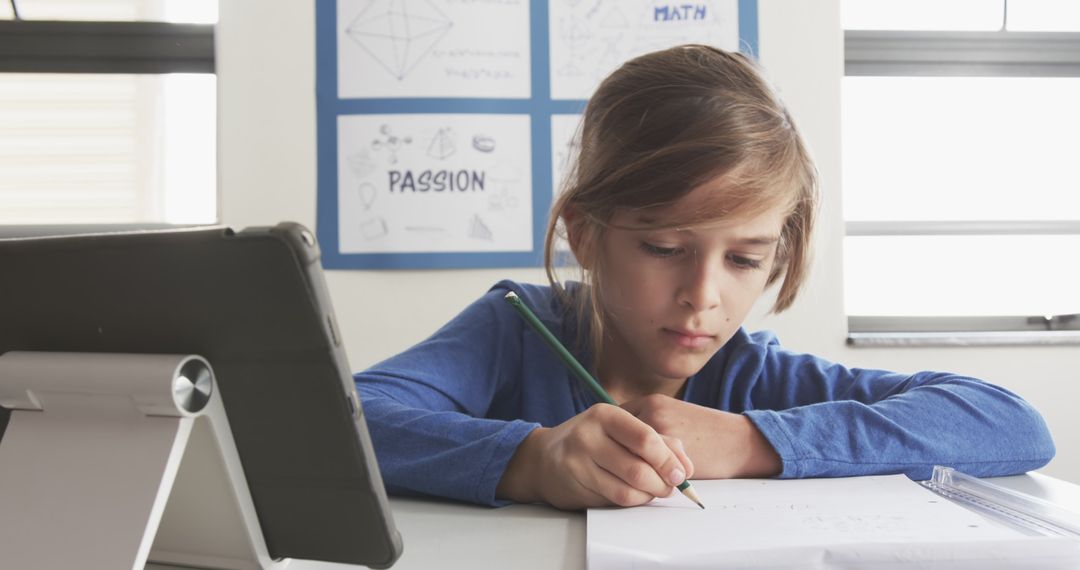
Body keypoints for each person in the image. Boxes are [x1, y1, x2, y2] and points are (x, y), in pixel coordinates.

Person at [354, 45, 1055, 510]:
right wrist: (533, 460)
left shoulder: (756, 382)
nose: (704, 297)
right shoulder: (514, 329)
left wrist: (755, 442)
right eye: (663, 247)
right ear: (585, 235)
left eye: (746, 260)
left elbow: (1012, 425)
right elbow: (345, 418)